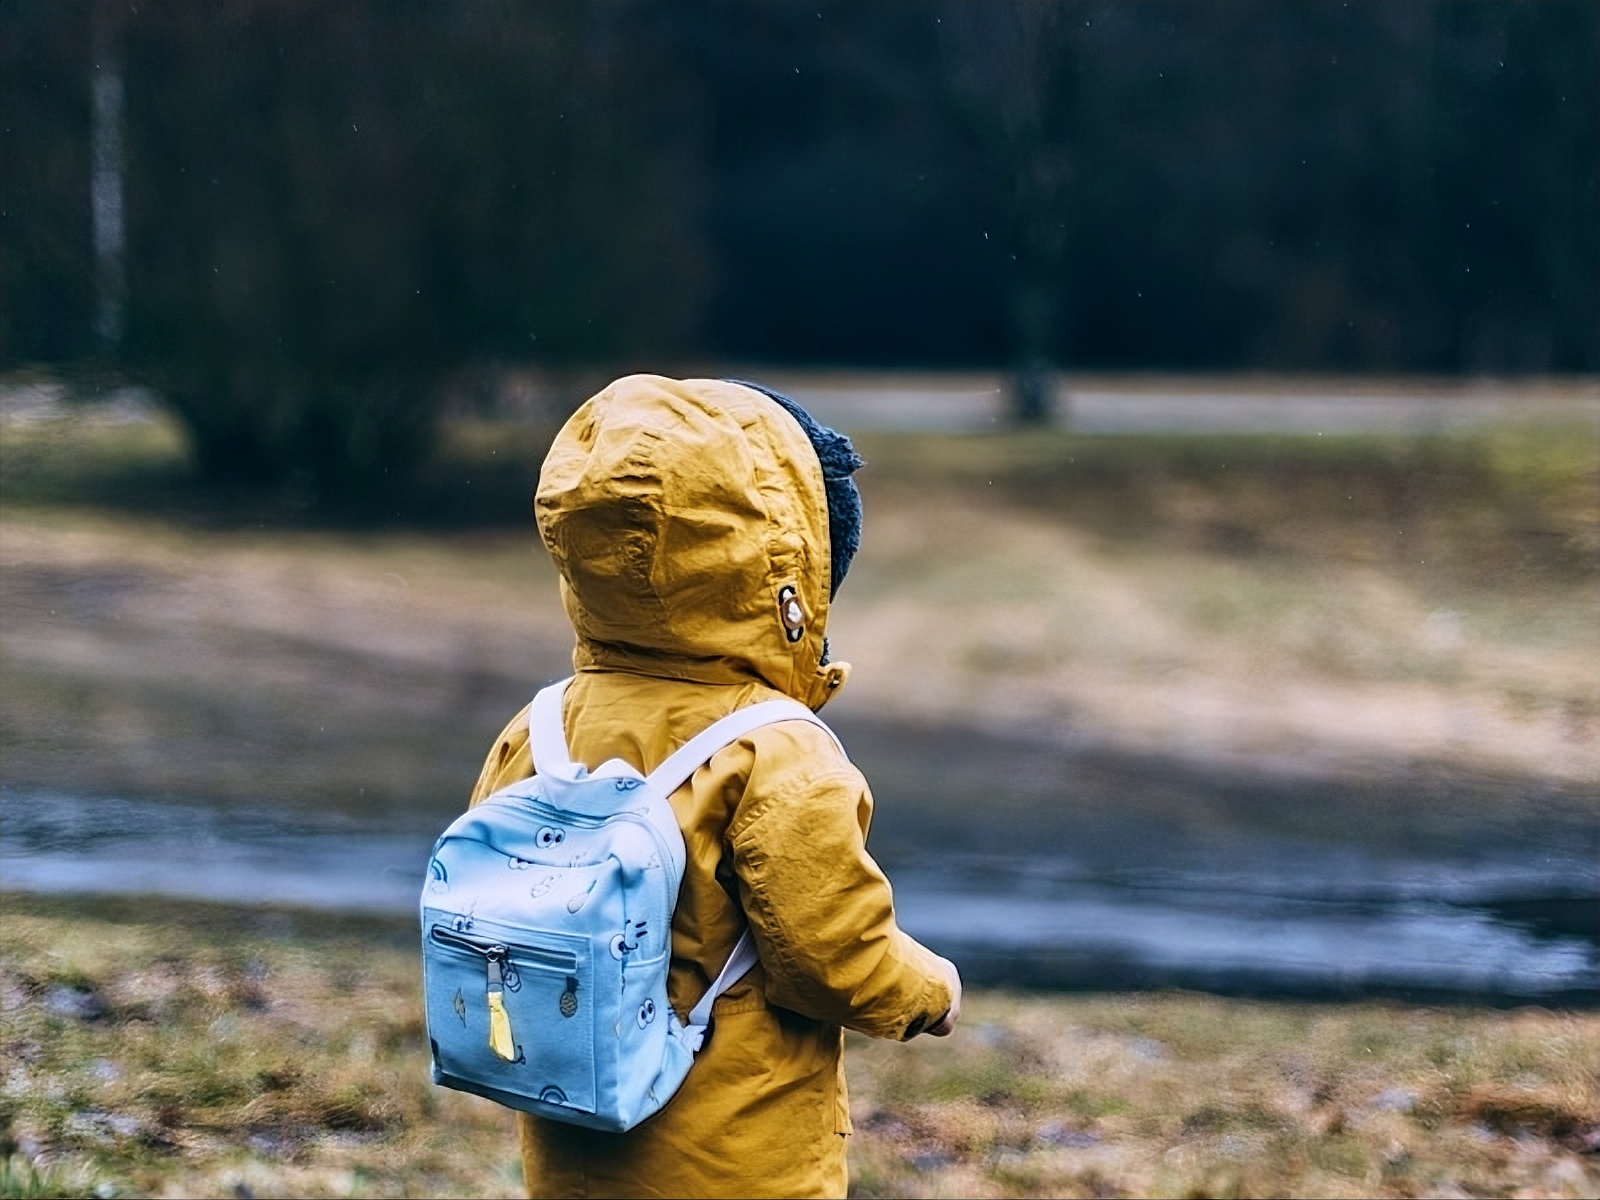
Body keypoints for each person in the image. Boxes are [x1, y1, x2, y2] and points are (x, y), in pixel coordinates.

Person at [469, 374, 962, 1199]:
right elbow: (830, 953)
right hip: (737, 1155)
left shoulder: (543, 726)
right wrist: (929, 991)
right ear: (786, 564)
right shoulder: (774, 751)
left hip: (573, 1132)